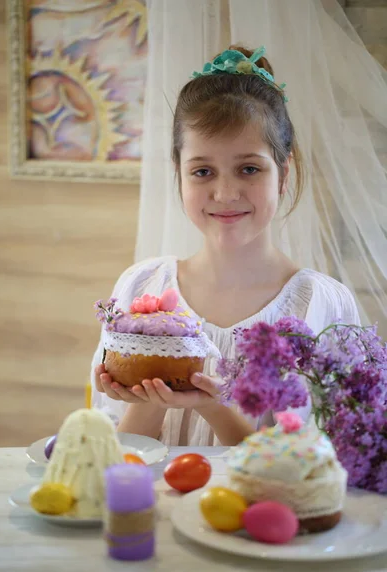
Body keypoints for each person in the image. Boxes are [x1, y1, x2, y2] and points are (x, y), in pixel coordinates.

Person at [91, 46, 360, 447]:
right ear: (179, 176)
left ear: (283, 174)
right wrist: (149, 398)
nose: (225, 192)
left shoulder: (322, 306)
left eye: (249, 168)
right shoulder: (139, 288)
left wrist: (211, 404)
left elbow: (319, 471)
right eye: (202, 171)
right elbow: (114, 461)